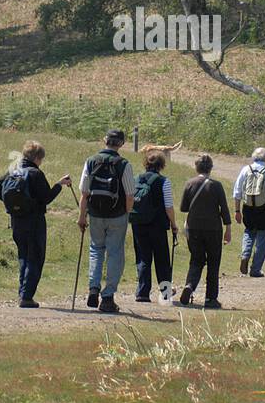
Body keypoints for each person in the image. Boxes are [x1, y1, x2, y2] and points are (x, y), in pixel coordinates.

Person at [0, 141, 71, 308]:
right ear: (36, 157)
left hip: (16, 220)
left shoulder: (14, 171)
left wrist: (12, 205)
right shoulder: (35, 174)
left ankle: (22, 293)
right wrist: (59, 184)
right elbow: (46, 197)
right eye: (41, 158)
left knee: (23, 256)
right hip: (34, 220)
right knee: (35, 257)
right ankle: (26, 297)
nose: (41, 162)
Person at [78, 129, 136, 313]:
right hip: (117, 215)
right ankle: (108, 297)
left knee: (95, 249)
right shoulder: (124, 164)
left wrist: (81, 216)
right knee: (115, 253)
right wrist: (126, 213)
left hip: (95, 213)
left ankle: (93, 288)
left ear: (105, 141)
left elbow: (84, 193)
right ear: (121, 144)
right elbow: (129, 194)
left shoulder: (91, 161)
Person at [178, 154, 231, 308]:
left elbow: (183, 208)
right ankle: (210, 298)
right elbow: (224, 209)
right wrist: (228, 228)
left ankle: (190, 285)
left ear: (196, 167)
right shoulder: (217, 186)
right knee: (214, 263)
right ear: (211, 168)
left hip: (194, 227)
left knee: (196, 259)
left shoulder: (190, 183)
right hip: (213, 228)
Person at [129, 149, 178, 304]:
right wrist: (173, 224)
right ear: (161, 165)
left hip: (138, 223)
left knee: (143, 258)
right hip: (157, 225)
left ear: (146, 163)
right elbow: (169, 206)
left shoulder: (136, 178)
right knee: (162, 259)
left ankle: (142, 292)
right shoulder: (164, 181)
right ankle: (165, 293)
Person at [232, 147, 265, 278]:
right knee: (264, 237)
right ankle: (255, 269)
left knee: (249, 231)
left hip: (248, 208)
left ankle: (245, 255)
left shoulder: (245, 169)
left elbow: (237, 192)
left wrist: (237, 211)